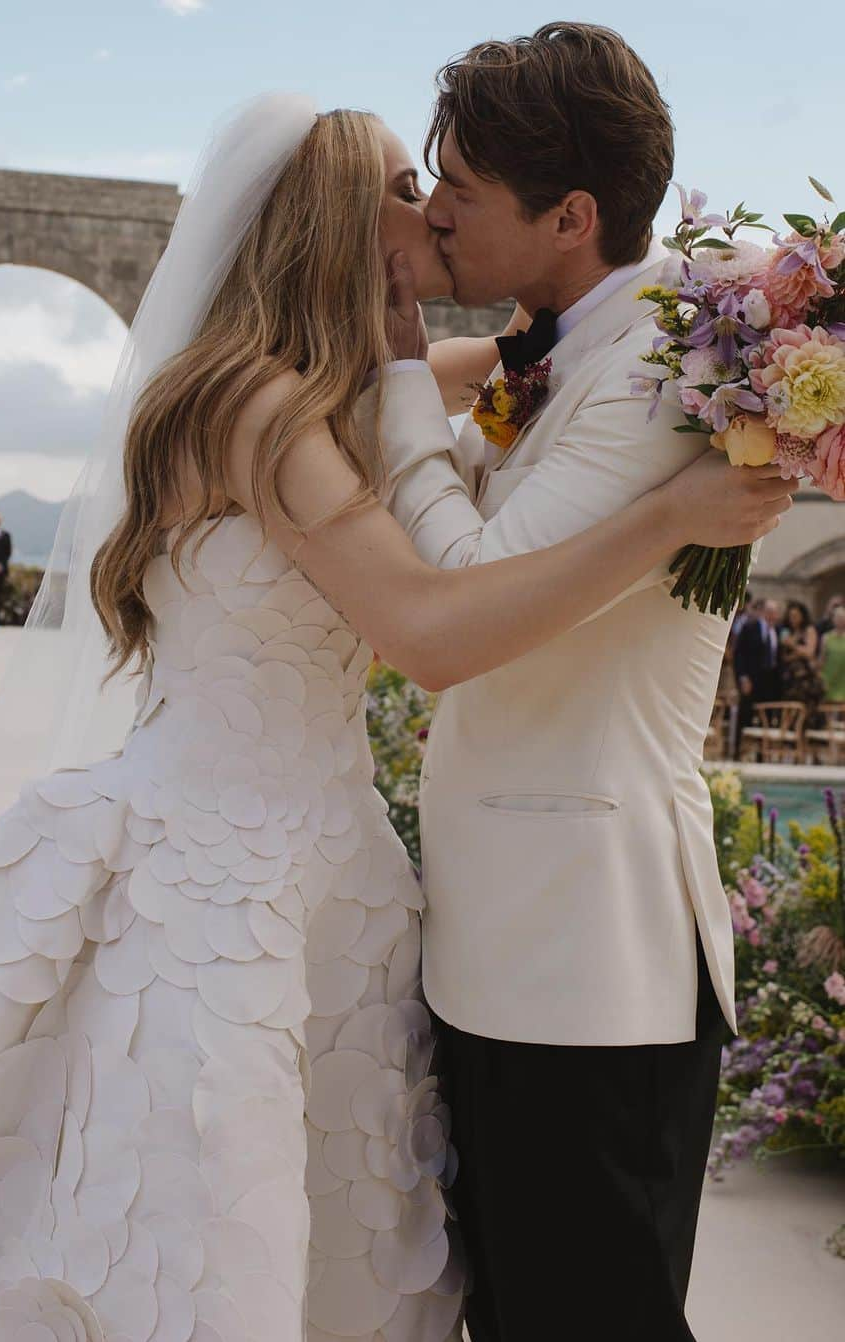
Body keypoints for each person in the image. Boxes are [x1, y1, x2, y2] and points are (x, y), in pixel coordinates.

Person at [0, 94, 792, 1339]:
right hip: (222, 873)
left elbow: (527, 363)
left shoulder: (326, 387)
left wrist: (728, 321)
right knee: (201, 1214)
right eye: (408, 190)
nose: (432, 212)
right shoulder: (258, 410)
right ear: (333, 224)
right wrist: (666, 517)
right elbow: (426, 631)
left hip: (325, 863)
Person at [364, 25, 795, 1341]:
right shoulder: (551, 343)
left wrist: (390, 357)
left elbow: (470, 587)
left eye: (463, 190)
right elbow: (459, 459)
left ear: (570, 214)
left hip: (591, 969)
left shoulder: (663, 367)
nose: (436, 211)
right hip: (505, 946)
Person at [733, 595, 780, 749]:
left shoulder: (778, 631)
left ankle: (762, 752)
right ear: (762, 612)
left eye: (774, 612)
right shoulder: (750, 627)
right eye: (769, 611)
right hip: (752, 679)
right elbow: (739, 654)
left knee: (766, 717)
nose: (771, 615)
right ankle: (738, 750)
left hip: (770, 681)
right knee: (745, 714)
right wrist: (743, 678)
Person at [780, 599, 824, 714]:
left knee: (804, 711)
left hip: (805, 678)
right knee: (789, 709)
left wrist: (793, 645)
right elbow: (785, 657)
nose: (792, 619)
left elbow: (809, 652)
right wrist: (797, 653)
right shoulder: (789, 632)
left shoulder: (809, 630)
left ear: (802, 616)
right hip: (791, 677)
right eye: (790, 616)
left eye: (795, 616)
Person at [820, 604, 845, 702]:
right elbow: (822, 658)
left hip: (843, 678)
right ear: (833, 619)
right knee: (828, 706)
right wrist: (821, 678)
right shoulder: (826, 637)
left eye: (843, 618)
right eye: (838, 618)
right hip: (828, 676)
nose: (840, 620)